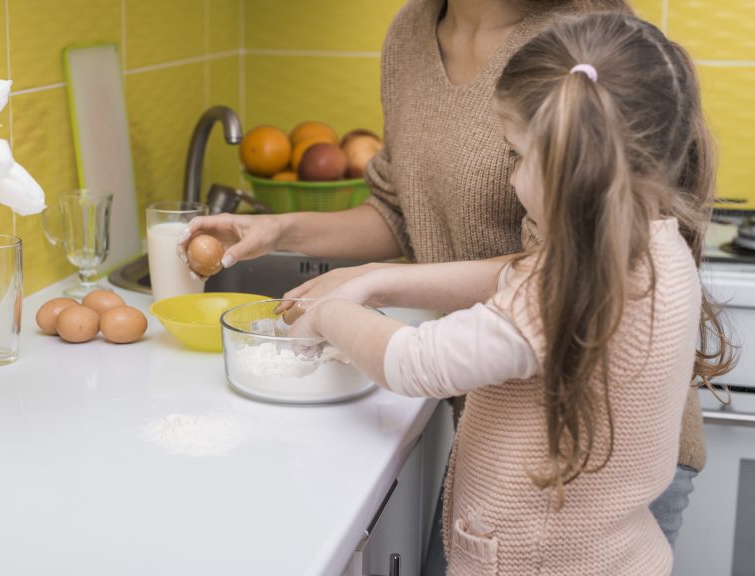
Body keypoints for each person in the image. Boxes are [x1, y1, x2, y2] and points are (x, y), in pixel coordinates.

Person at [179, 0, 706, 566]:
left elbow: (419, 361)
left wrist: (333, 311)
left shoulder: (579, 43)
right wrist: (294, 237)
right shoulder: (658, 246)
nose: (512, 174)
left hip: (549, 530)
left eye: (519, 157)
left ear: (579, 170)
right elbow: (408, 214)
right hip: (523, 486)